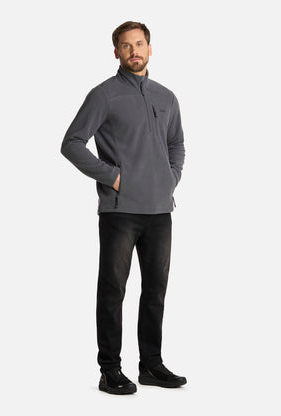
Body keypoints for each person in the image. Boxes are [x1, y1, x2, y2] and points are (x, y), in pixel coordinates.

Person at [60, 21, 186, 395]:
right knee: (113, 290)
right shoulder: (104, 95)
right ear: (116, 52)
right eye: (126, 46)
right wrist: (114, 177)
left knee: (156, 290)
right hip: (120, 211)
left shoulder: (167, 97)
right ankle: (110, 370)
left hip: (160, 210)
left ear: (150, 48)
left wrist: (171, 178)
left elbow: (177, 143)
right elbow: (72, 143)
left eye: (140, 44)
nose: (134, 51)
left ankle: (151, 365)